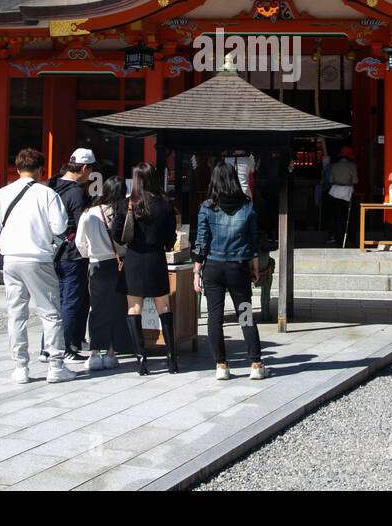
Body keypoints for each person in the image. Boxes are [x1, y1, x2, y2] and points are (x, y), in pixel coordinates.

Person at [0, 147, 73, 385]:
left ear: (17, 169)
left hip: (11, 257)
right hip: (38, 257)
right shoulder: (46, 194)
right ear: (40, 170)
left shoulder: (3, 193)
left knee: (16, 313)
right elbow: (59, 227)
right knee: (50, 311)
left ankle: (20, 366)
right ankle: (56, 363)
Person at [194, 161, 267, 381]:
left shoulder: (207, 207)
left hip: (213, 268)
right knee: (245, 314)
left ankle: (221, 365)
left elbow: (201, 241)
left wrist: (197, 270)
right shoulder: (246, 205)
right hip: (238, 267)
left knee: (214, 317)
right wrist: (254, 267)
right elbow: (252, 241)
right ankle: (255, 363)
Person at [119, 162, 180, 375]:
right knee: (164, 305)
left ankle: (141, 358)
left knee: (134, 308)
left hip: (134, 259)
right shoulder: (165, 204)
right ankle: (171, 358)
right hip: (156, 258)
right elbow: (171, 238)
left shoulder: (128, 204)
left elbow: (118, 233)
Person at [43, 149, 94, 364]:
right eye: (90, 170)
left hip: (51, 251)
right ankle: (66, 347)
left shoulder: (50, 187)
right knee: (72, 300)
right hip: (73, 252)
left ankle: (47, 347)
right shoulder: (76, 193)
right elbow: (83, 225)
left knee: (55, 301)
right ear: (84, 168)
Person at [76, 176, 129, 372]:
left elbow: (80, 243)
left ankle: (95, 353)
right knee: (117, 308)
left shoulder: (89, 213)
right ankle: (111, 352)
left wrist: (90, 253)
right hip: (118, 263)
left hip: (96, 263)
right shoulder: (122, 213)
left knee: (97, 308)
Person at [326, 145, 359, 246]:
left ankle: (336, 237)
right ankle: (349, 239)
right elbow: (355, 180)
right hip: (347, 192)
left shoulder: (334, 166)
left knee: (336, 216)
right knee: (348, 217)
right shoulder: (352, 166)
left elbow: (330, 180)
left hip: (335, 192)